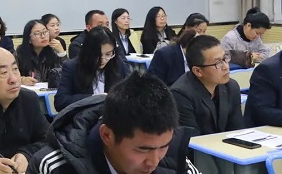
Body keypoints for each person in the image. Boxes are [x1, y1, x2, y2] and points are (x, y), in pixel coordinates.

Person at [30, 72, 200, 174]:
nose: (154, 162)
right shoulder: (55, 167)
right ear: (107, 135)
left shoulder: (176, 161)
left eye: (163, 146)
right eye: (143, 149)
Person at [170, 35, 243, 136]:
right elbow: (190, 139)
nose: (225, 66)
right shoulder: (181, 94)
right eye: (218, 63)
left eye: (225, 58)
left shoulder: (231, 86)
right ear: (198, 71)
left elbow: (237, 130)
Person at [55, 26, 130, 111]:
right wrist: (92, 98)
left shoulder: (117, 63)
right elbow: (60, 102)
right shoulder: (72, 66)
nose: (103, 59)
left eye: (108, 54)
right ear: (88, 51)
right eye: (98, 55)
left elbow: (131, 92)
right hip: (83, 116)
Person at [16, 20, 66, 86]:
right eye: (37, 33)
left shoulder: (53, 51)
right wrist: (22, 79)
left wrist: (62, 53)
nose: (43, 36)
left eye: (45, 32)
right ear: (29, 39)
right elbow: (11, 75)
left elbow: (66, 74)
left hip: (50, 90)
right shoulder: (19, 54)